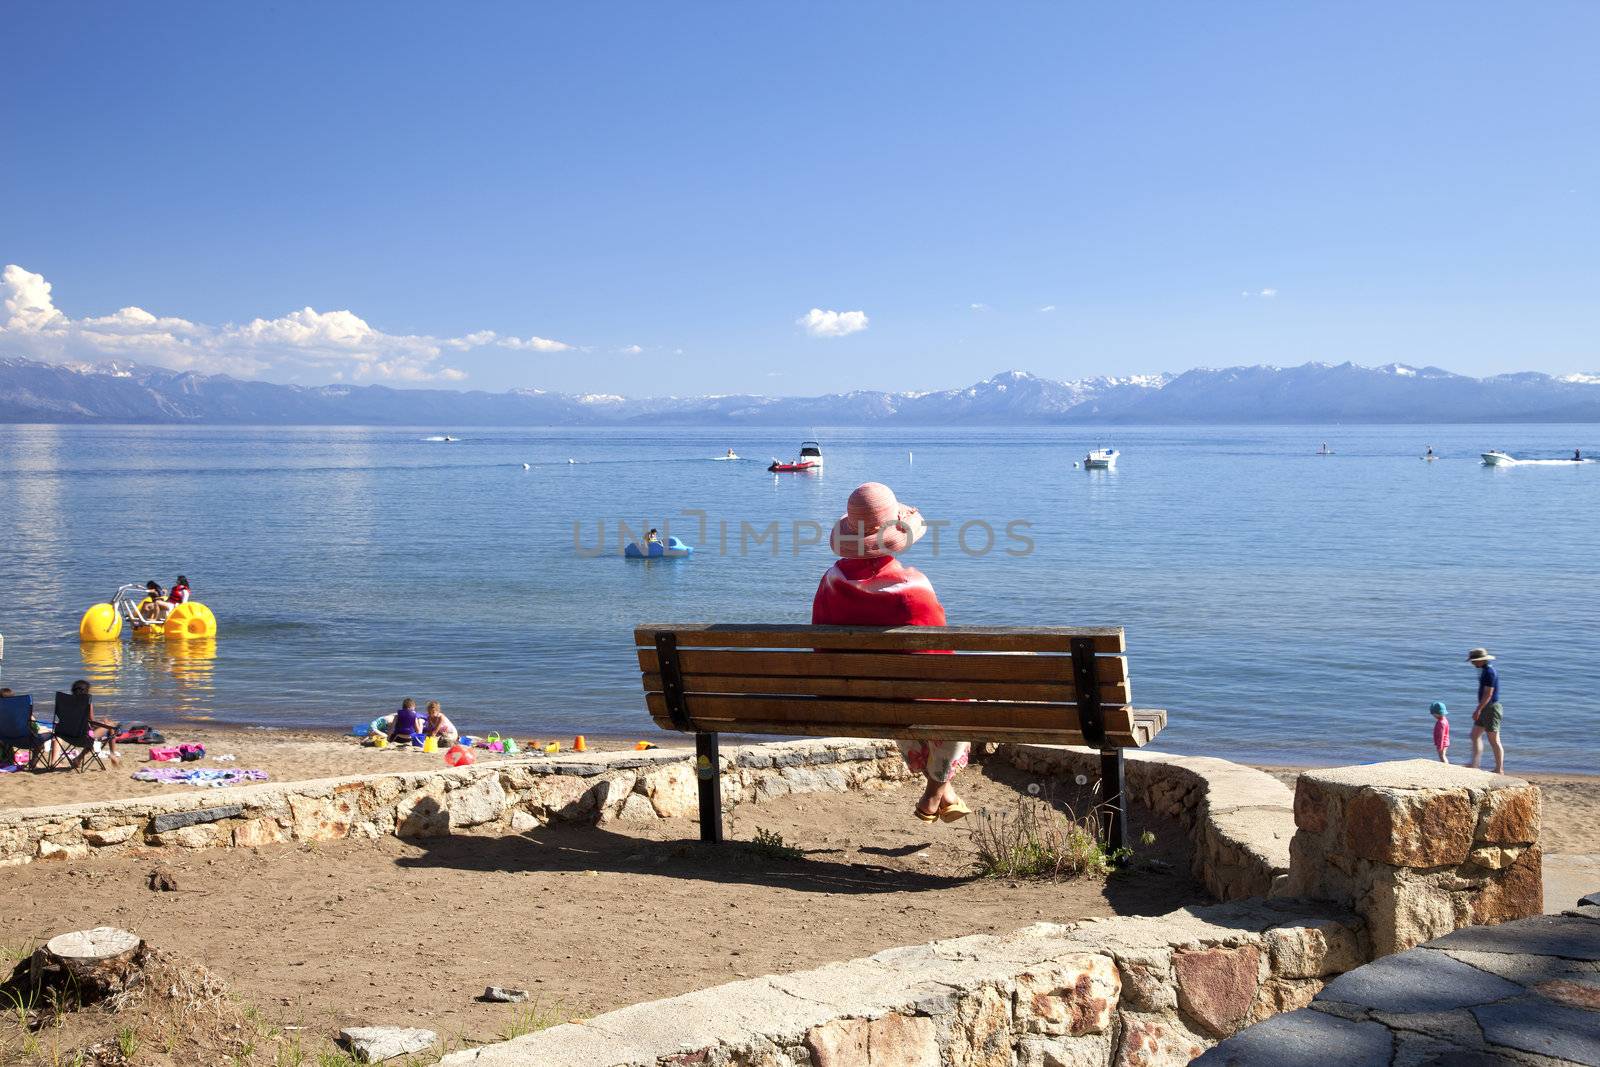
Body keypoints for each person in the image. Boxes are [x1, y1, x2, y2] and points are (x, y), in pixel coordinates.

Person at [810, 482, 970, 823]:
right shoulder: (913, 590)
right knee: (956, 702)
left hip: (862, 699)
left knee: (898, 697)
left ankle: (944, 793)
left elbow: (820, 646)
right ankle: (936, 790)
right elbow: (941, 661)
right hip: (911, 694)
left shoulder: (831, 581)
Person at [1465, 648, 1505, 774]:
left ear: (1481, 660)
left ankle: (1499, 769)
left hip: (1491, 708)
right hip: (1485, 707)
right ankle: (1474, 764)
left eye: (1474, 661)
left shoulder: (1489, 672)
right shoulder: (1484, 671)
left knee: (1494, 740)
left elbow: (1488, 694)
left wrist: (1478, 710)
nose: (1472, 663)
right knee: (1474, 735)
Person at [62, 679, 121, 764]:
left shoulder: (66, 702)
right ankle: (112, 754)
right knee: (111, 726)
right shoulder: (87, 702)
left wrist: (101, 723)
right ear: (86, 691)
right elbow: (92, 723)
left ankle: (78, 759)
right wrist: (104, 723)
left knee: (93, 735)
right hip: (83, 737)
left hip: (67, 735)